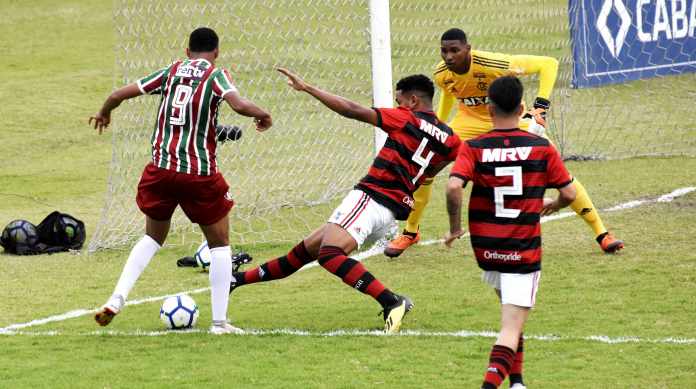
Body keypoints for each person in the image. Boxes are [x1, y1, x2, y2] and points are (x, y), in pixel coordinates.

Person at [227, 69, 461, 333]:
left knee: (329, 255)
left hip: (371, 198)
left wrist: (308, 88)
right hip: (391, 212)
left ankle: (392, 301)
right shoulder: (451, 140)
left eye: (400, 100)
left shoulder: (405, 119)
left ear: (413, 101)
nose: (397, 105)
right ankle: (235, 280)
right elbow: (435, 170)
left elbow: (351, 109)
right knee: (303, 252)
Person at [89, 27, 272, 334]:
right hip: (198, 174)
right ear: (216, 52)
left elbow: (117, 95)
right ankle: (219, 322)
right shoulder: (216, 75)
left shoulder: (171, 71)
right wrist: (263, 114)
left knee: (152, 237)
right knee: (220, 245)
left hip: (159, 171)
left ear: (187, 52)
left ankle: (116, 299)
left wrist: (104, 113)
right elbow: (239, 105)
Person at [386, 27, 623, 258]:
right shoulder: (441, 73)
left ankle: (602, 233)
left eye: (455, 50)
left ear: (468, 49)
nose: (449, 56)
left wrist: (540, 106)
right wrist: (439, 123)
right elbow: (451, 91)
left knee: (557, 169)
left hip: (508, 118)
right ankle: (410, 231)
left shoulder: (494, 64)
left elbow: (548, 64)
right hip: (468, 123)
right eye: (444, 51)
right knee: (426, 168)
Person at [444, 76, 576, 389]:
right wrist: (553, 204)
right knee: (510, 326)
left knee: (512, 318)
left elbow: (452, 187)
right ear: (521, 108)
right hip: (522, 249)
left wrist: (454, 227)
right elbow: (569, 194)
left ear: (489, 109)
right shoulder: (540, 147)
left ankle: (517, 382)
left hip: (487, 249)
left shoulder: (473, 148)